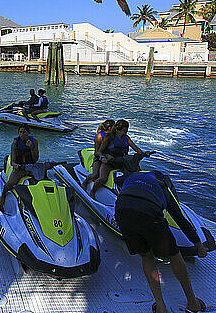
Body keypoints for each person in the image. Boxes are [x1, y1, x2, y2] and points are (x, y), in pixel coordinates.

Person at [115, 170, 207, 313]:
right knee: (174, 254)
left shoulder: (133, 175)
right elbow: (180, 220)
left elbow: (118, 181)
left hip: (122, 209)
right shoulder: (165, 186)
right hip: (149, 210)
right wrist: (199, 245)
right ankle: (192, 302)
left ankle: (160, 306)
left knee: (146, 255)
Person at [90, 119, 155, 199]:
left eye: (127, 130)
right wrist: (103, 158)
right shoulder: (109, 138)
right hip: (109, 162)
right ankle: (92, 191)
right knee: (102, 178)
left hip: (122, 161)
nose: (125, 132)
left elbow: (136, 148)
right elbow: (99, 152)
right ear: (117, 129)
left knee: (134, 175)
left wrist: (144, 153)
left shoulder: (126, 138)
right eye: (124, 130)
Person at [0, 124, 39, 210]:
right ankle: (3, 196)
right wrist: (16, 165)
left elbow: (36, 159)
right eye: (20, 132)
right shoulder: (15, 143)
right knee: (10, 184)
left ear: (28, 133)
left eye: (24, 132)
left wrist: (31, 148)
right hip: (20, 168)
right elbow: (12, 161)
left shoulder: (34, 141)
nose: (22, 134)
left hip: (31, 166)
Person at [81, 119, 115, 190]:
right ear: (110, 128)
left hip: (108, 158)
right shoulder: (99, 136)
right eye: (114, 126)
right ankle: (85, 182)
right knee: (95, 175)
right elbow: (97, 152)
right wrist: (103, 157)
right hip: (99, 157)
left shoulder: (113, 136)